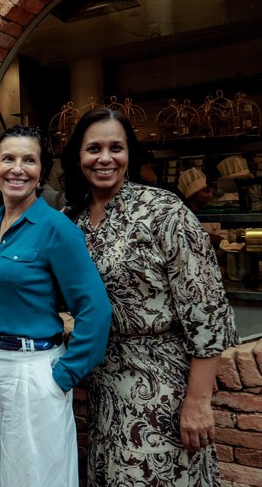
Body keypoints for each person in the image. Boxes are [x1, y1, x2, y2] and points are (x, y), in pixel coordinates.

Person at [60, 107, 237, 485]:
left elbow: (208, 311)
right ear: (78, 156)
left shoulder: (164, 212)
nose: (105, 158)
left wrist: (198, 401)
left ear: (130, 154)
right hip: (103, 384)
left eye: (116, 148)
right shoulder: (71, 218)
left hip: (163, 385)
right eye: (94, 149)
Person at [0, 124, 112, 486]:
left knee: (33, 476)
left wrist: (63, 377)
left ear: (42, 171)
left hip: (31, 370)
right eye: (8, 159)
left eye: (29, 160)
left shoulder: (55, 228)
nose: (17, 168)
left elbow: (95, 310)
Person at [179, 167, 229, 246]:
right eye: (206, 191)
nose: (210, 195)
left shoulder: (211, 214)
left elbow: (224, 241)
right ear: (194, 194)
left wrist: (198, 234)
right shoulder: (182, 216)